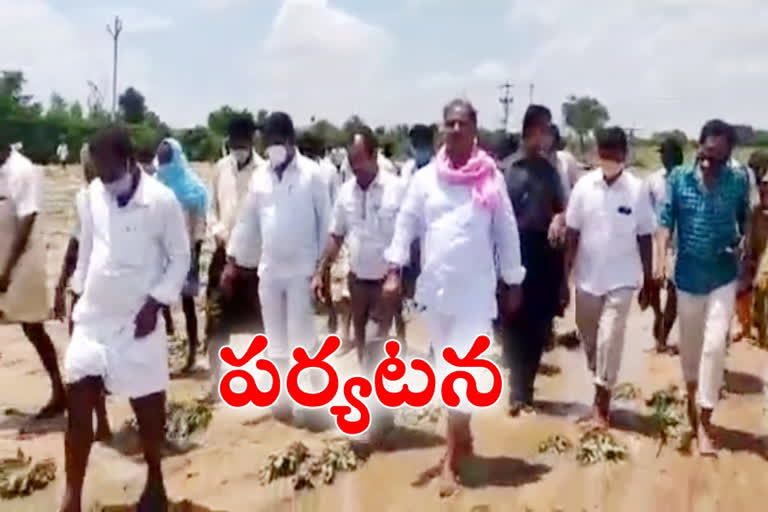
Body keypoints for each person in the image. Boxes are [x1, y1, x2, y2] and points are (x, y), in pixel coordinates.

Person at [382, 99, 524, 495]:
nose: (455, 129)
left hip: (476, 293)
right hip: (438, 292)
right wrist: (394, 269)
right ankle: (462, 437)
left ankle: (450, 457)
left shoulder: (490, 178)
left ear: (474, 128)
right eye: (449, 123)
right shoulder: (426, 179)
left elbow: (506, 233)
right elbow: (406, 223)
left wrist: (513, 281)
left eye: (462, 123)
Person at [61, 125, 190, 512]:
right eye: (100, 173)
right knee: (79, 403)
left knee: (148, 408)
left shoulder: (162, 201)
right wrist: (74, 292)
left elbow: (180, 258)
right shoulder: (90, 198)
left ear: (131, 162)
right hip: (94, 319)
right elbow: (87, 252)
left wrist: (157, 302)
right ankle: (72, 496)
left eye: (112, 173)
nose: (106, 181)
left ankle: (155, 482)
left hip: (139, 321)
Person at [225, 112, 331, 423]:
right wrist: (233, 260)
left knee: (303, 338)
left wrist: (322, 270)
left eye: (277, 141)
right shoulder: (261, 178)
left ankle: (314, 399)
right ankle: (282, 400)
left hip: (302, 270)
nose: (272, 147)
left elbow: (325, 222)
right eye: (267, 141)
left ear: (290, 141)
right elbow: (247, 223)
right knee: (276, 338)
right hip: (269, 270)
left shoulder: (312, 175)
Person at [657, 119, 750, 456]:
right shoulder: (679, 179)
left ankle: (705, 425)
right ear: (699, 149)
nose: (711, 164)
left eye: (719, 159)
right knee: (692, 351)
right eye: (707, 156)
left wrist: (742, 243)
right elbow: (666, 220)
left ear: (729, 158)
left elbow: (745, 221)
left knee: (714, 348)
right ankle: (692, 404)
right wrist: (660, 259)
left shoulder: (738, 182)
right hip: (687, 278)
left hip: (723, 276)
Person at [564, 127, 656, 427]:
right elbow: (572, 232)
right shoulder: (583, 187)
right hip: (587, 277)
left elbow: (644, 235)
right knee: (589, 336)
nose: (608, 160)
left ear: (624, 154)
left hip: (622, 279)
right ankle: (599, 379)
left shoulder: (637, 189)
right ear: (596, 153)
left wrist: (648, 280)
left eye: (614, 154)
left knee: (610, 339)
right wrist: (564, 277)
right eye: (603, 154)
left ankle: (601, 406)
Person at [313, 126, 405, 360]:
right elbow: (337, 234)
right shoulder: (346, 193)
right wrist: (321, 270)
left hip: (385, 284)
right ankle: (372, 393)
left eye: (359, 160)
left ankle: (374, 391)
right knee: (363, 347)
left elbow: (407, 235)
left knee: (375, 343)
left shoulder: (396, 190)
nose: (355, 167)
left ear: (375, 155)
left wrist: (400, 275)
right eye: (351, 161)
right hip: (357, 283)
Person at [501, 105, 568, 415]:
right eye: (544, 129)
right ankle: (517, 388)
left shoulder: (550, 171)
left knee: (539, 323)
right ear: (530, 130)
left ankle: (526, 390)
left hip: (544, 252)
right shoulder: (506, 170)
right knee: (513, 322)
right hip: (513, 250)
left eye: (550, 129)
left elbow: (562, 209)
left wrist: (559, 218)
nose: (548, 135)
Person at [0, 140, 67, 420]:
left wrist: (6, 270)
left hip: (22, 262)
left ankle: (59, 391)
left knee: (33, 327)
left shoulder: (22, 170)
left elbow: (27, 219)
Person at [53, 143, 111, 441]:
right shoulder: (113, 195)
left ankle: (100, 420)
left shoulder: (87, 197)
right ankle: (102, 420)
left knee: (87, 356)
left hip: (90, 289)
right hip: (106, 289)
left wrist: (60, 285)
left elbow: (74, 248)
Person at [205, 115, 265, 398]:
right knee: (216, 319)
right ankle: (217, 380)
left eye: (243, 141)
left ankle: (262, 383)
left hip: (254, 258)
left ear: (251, 140)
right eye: (234, 142)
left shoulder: (264, 171)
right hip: (222, 253)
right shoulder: (220, 169)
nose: (238, 147)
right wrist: (216, 228)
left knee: (259, 323)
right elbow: (211, 207)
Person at [155, 137, 209, 373]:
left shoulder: (193, 189)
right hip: (159, 254)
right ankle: (161, 351)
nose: (165, 164)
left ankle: (192, 353)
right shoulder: (156, 184)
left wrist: (194, 256)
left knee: (187, 304)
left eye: (168, 159)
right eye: (162, 159)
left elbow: (198, 227)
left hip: (186, 253)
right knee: (158, 303)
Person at [396, 124, 436, 341]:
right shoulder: (406, 169)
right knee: (403, 292)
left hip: (430, 239)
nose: (417, 148)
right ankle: (402, 339)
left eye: (422, 144)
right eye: (414, 144)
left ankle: (432, 343)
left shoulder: (438, 170)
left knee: (430, 292)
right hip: (408, 238)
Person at [646, 138, 685, 353]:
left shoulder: (689, 180)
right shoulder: (653, 180)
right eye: (662, 153)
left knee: (674, 291)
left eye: (667, 153)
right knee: (651, 285)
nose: (663, 157)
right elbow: (645, 208)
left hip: (680, 245)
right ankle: (657, 317)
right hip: (656, 242)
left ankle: (663, 336)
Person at [740, 172, 768, 344]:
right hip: (758, 258)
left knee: (761, 284)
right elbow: (750, 241)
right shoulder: (755, 213)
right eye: (763, 185)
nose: (765, 189)